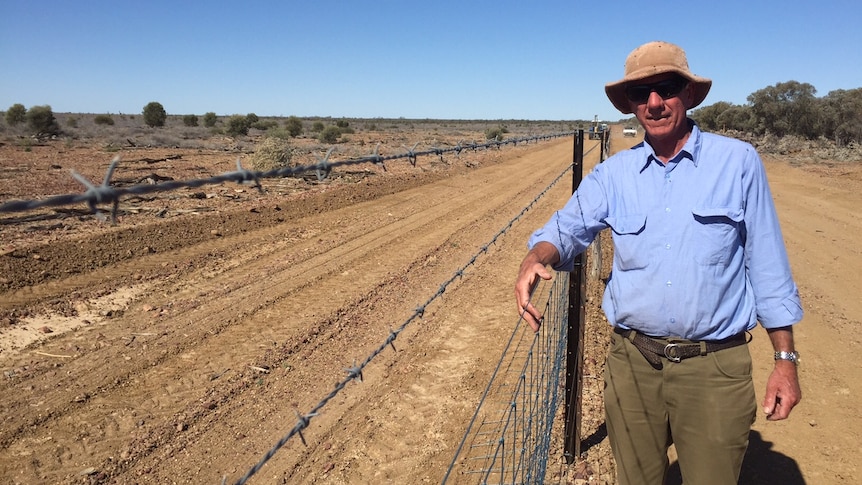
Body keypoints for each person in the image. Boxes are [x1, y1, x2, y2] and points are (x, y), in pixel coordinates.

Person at [514, 41, 803, 485]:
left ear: (687, 94)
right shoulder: (614, 175)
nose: (654, 102)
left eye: (665, 87)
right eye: (640, 93)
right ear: (630, 105)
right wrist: (537, 255)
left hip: (714, 368)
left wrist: (785, 360)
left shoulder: (738, 163)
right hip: (633, 366)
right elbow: (567, 227)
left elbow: (767, 266)